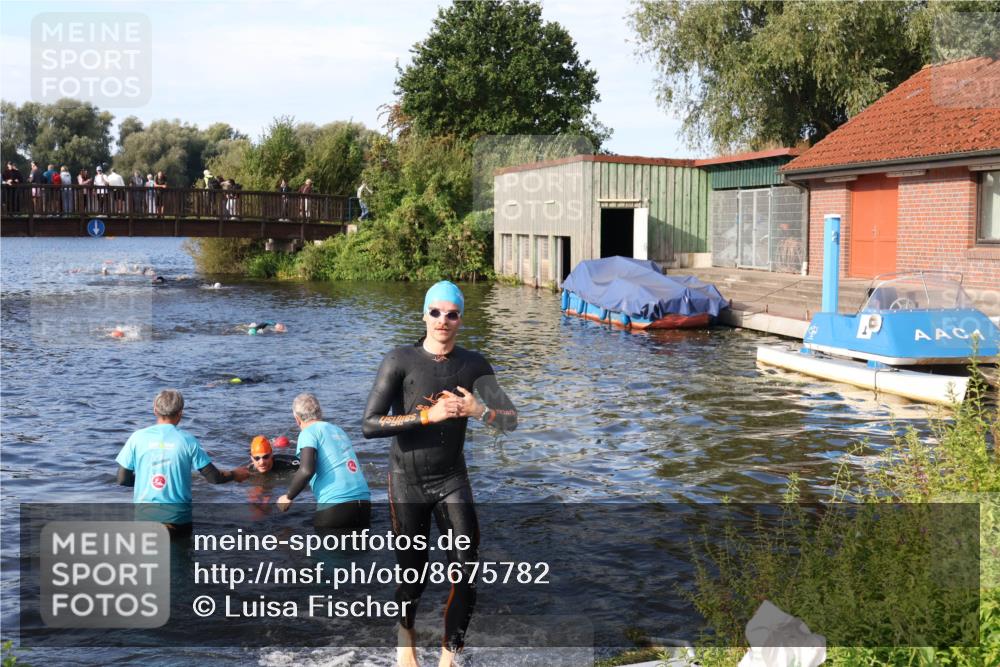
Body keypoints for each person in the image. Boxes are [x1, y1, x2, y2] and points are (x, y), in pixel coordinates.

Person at [362, 281, 518, 666]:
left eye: (451, 314)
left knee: (467, 568)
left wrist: (478, 412)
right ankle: (405, 635)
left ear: (461, 319)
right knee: (413, 572)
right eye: (436, 313)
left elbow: (511, 420)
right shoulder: (399, 360)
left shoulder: (474, 365)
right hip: (407, 480)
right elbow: (369, 423)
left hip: (452, 478)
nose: (443, 321)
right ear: (425, 315)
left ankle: (449, 658)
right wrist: (425, 416)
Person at [115, 389, 249, 537]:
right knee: (181, 558)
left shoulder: (137, 438)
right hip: (178, 521)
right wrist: (235, 474)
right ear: (180, 413)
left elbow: (122, 479)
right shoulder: (187, 440)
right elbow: (214, 478)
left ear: (155, 410)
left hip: (145, 520)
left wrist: (145, 480)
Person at [277, 393, 370, 530]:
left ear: (297, 419)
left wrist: (288, 496)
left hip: (335, 504)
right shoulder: (338, 430)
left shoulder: (308, 432)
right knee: (357, 550)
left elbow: (306, 470)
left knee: (326, 551)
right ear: (320, 412)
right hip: (364, 502)